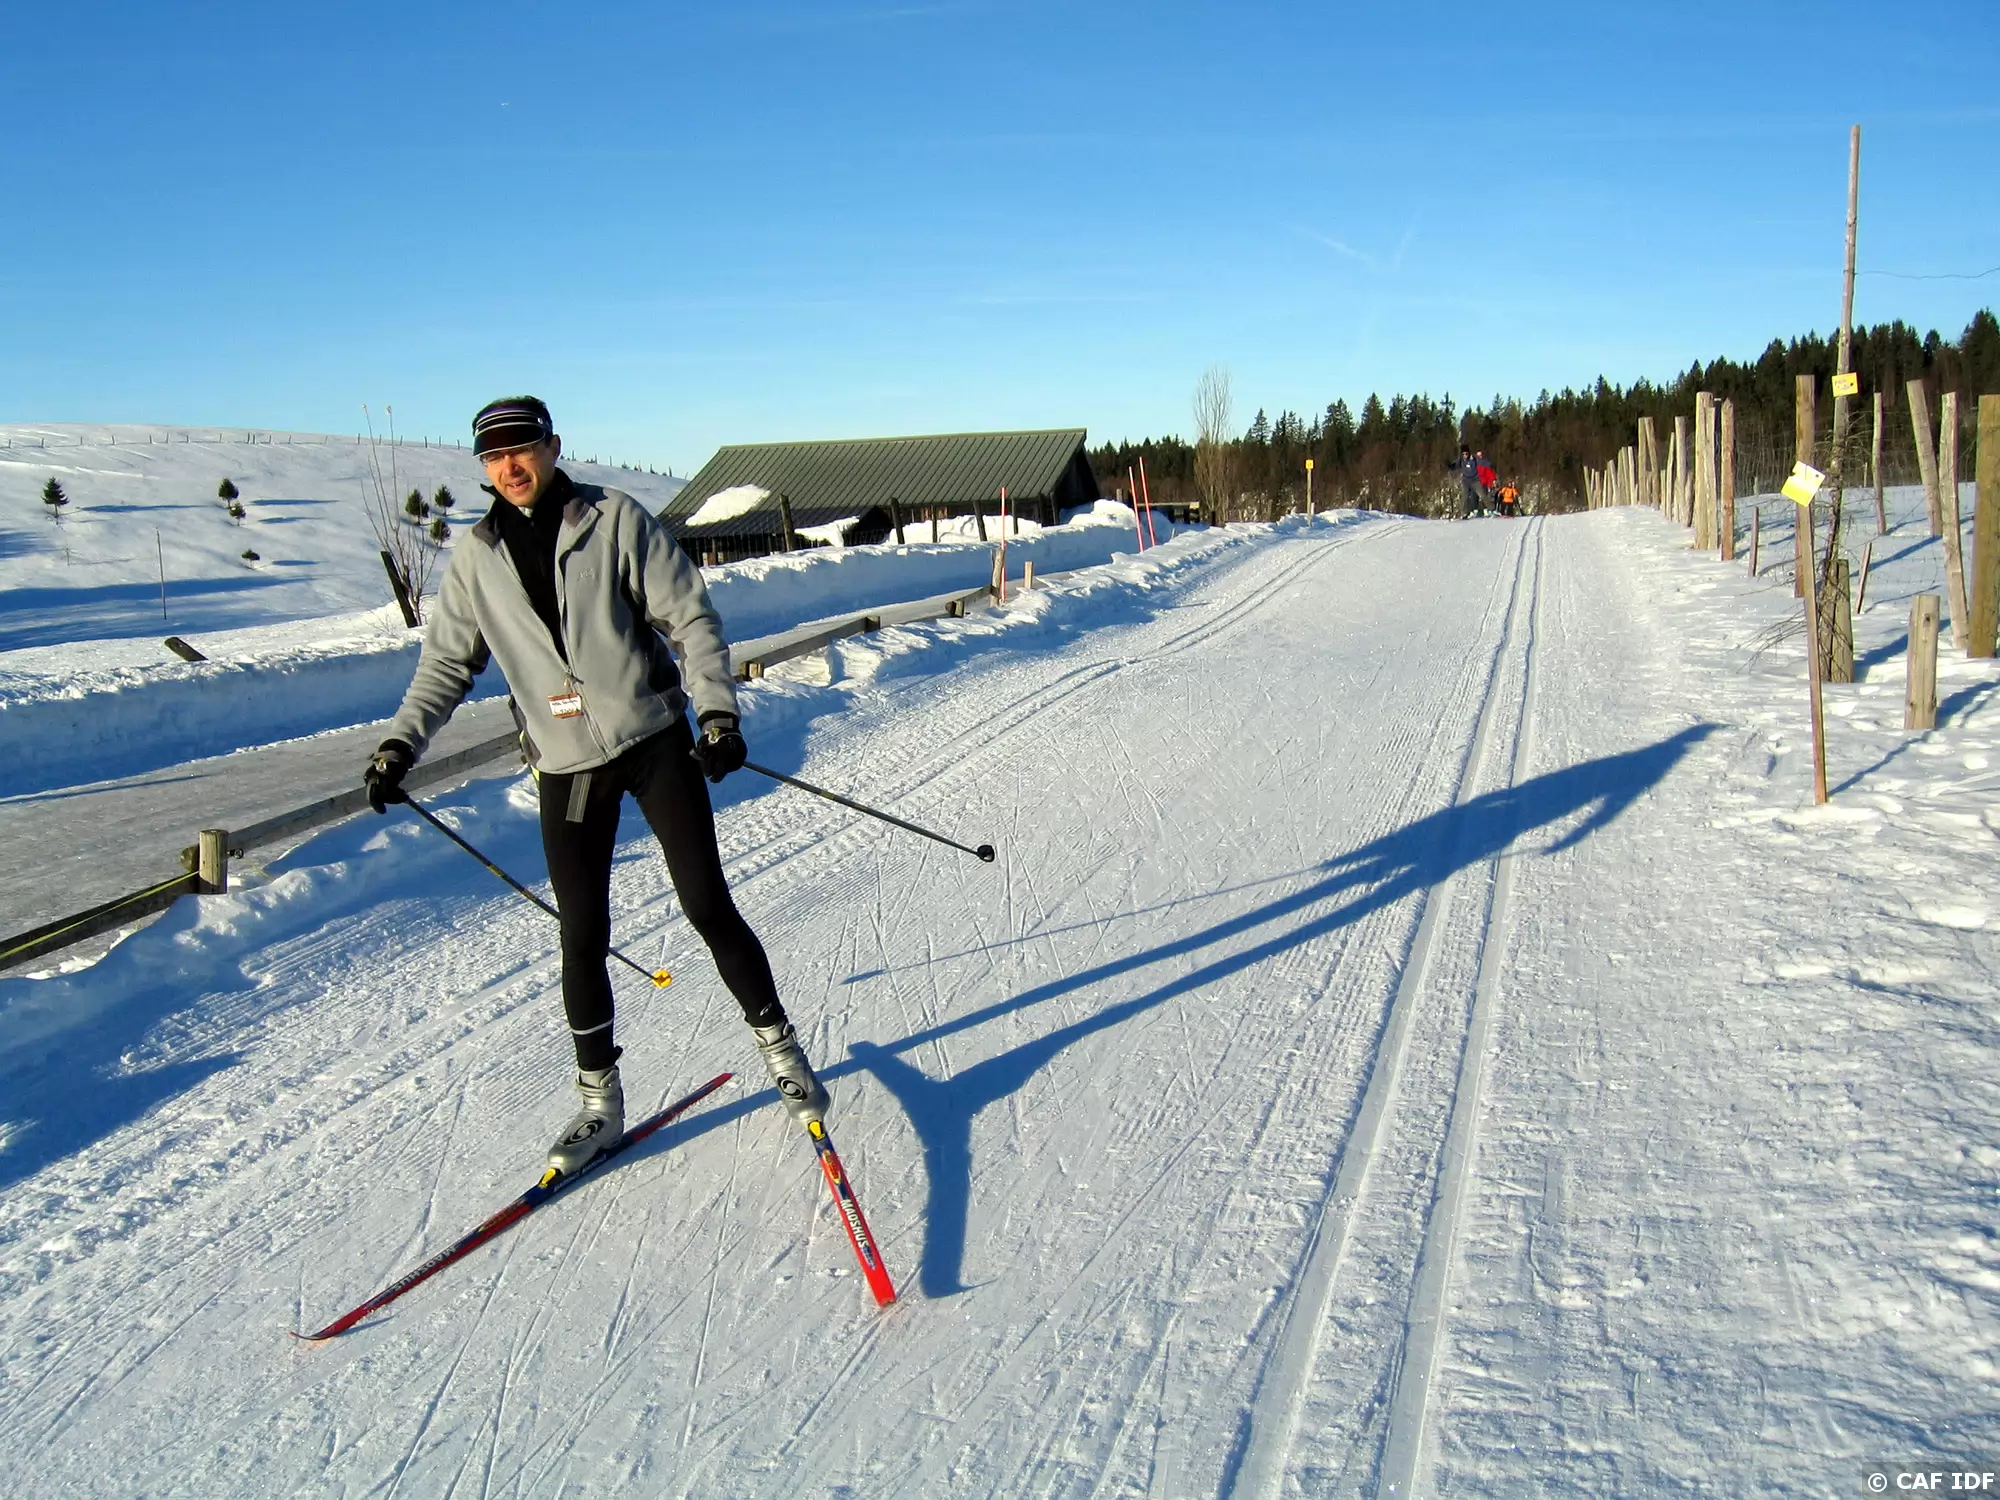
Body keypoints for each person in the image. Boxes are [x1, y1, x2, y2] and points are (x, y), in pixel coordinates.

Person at [362, 396, 827, 1177]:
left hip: (653, 744)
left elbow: (690, 618)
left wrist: (717, 715)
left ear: (552, 447)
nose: (509, 467)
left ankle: (784, 1055)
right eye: (493, 457)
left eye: (522, 449)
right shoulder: (476, 557)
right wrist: (398, 746)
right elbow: (445, 664)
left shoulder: (612, 519)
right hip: (566, 764)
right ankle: (599, 1106)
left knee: (706, 905)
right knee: (580, 935)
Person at [1452, 445, 1482, 519]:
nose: (1465, 455)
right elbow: (1455, 466)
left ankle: (1474, 510)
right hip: (1466, 481)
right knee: (1465, 497)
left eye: (1466, 454)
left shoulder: (1473, 459)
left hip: (1474, 480)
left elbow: (1481, 464)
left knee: (1475, 496)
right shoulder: (1461, 460)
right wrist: (1451, 466)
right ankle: (1464, 512)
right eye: (1463, 454)